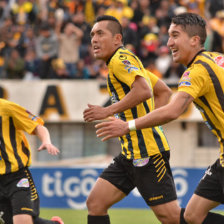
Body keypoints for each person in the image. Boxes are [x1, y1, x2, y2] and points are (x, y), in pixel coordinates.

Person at [95, 12, 224, 224]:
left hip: (149, 153)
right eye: (169, 36)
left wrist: (128, 126)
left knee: (175, 216)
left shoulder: (196, 71)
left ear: (195, 40)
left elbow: (173, 110)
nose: (169, 42)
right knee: (191, 216)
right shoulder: (217, 58)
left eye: (175, 35)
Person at [83, 15, 181, 224]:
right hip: (129, 154)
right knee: (96, 204)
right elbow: (162, 91)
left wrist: (107, 111)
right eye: (92, 35)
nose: (94, 39)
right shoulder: (125, 63)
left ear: (117, 38)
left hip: (148, 154)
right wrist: (152, 124)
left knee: (173, 218)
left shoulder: (120, 59)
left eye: (100, 33)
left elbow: (144, 91)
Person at [0, 99, 64, 224]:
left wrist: (46, 141)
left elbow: (37, 126)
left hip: (16, 177)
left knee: (22, 220)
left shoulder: (7, 108)